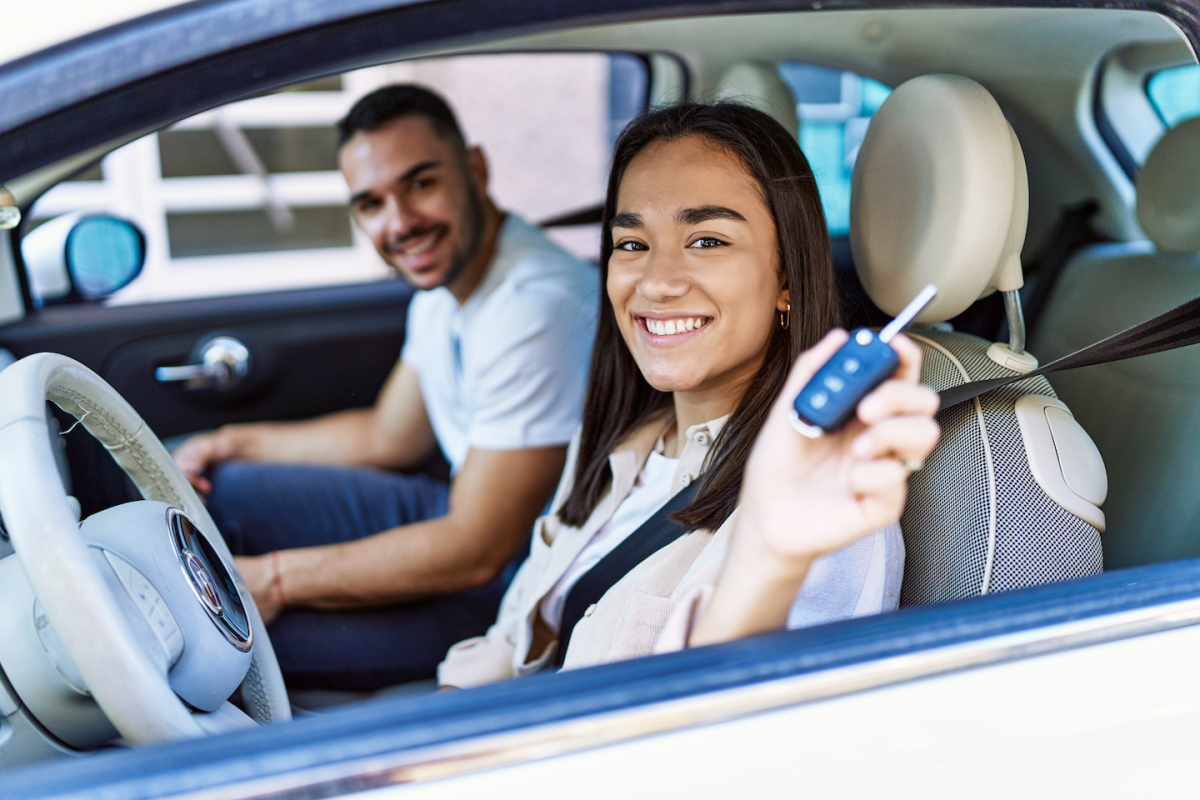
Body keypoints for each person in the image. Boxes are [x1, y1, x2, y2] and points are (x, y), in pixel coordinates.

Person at [437, 102, 940, 687]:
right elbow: (513, 636)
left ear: (786, 277)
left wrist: (768, 559)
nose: (656, 282)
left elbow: (744, 727)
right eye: (632, 244)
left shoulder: (822, 493)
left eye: (706, 240)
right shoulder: (619, 439)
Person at [172, 85, 597, 690]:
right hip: (463, 512)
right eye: (371, 204)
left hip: (519, 583)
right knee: (226, 487)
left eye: (421, 184)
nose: (400, 223)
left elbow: (478, 548)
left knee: (228, 637)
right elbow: (387, 435)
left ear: (476, 170)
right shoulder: (447, 285)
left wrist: (275, 580)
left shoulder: (534, 306)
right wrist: (231, 441)